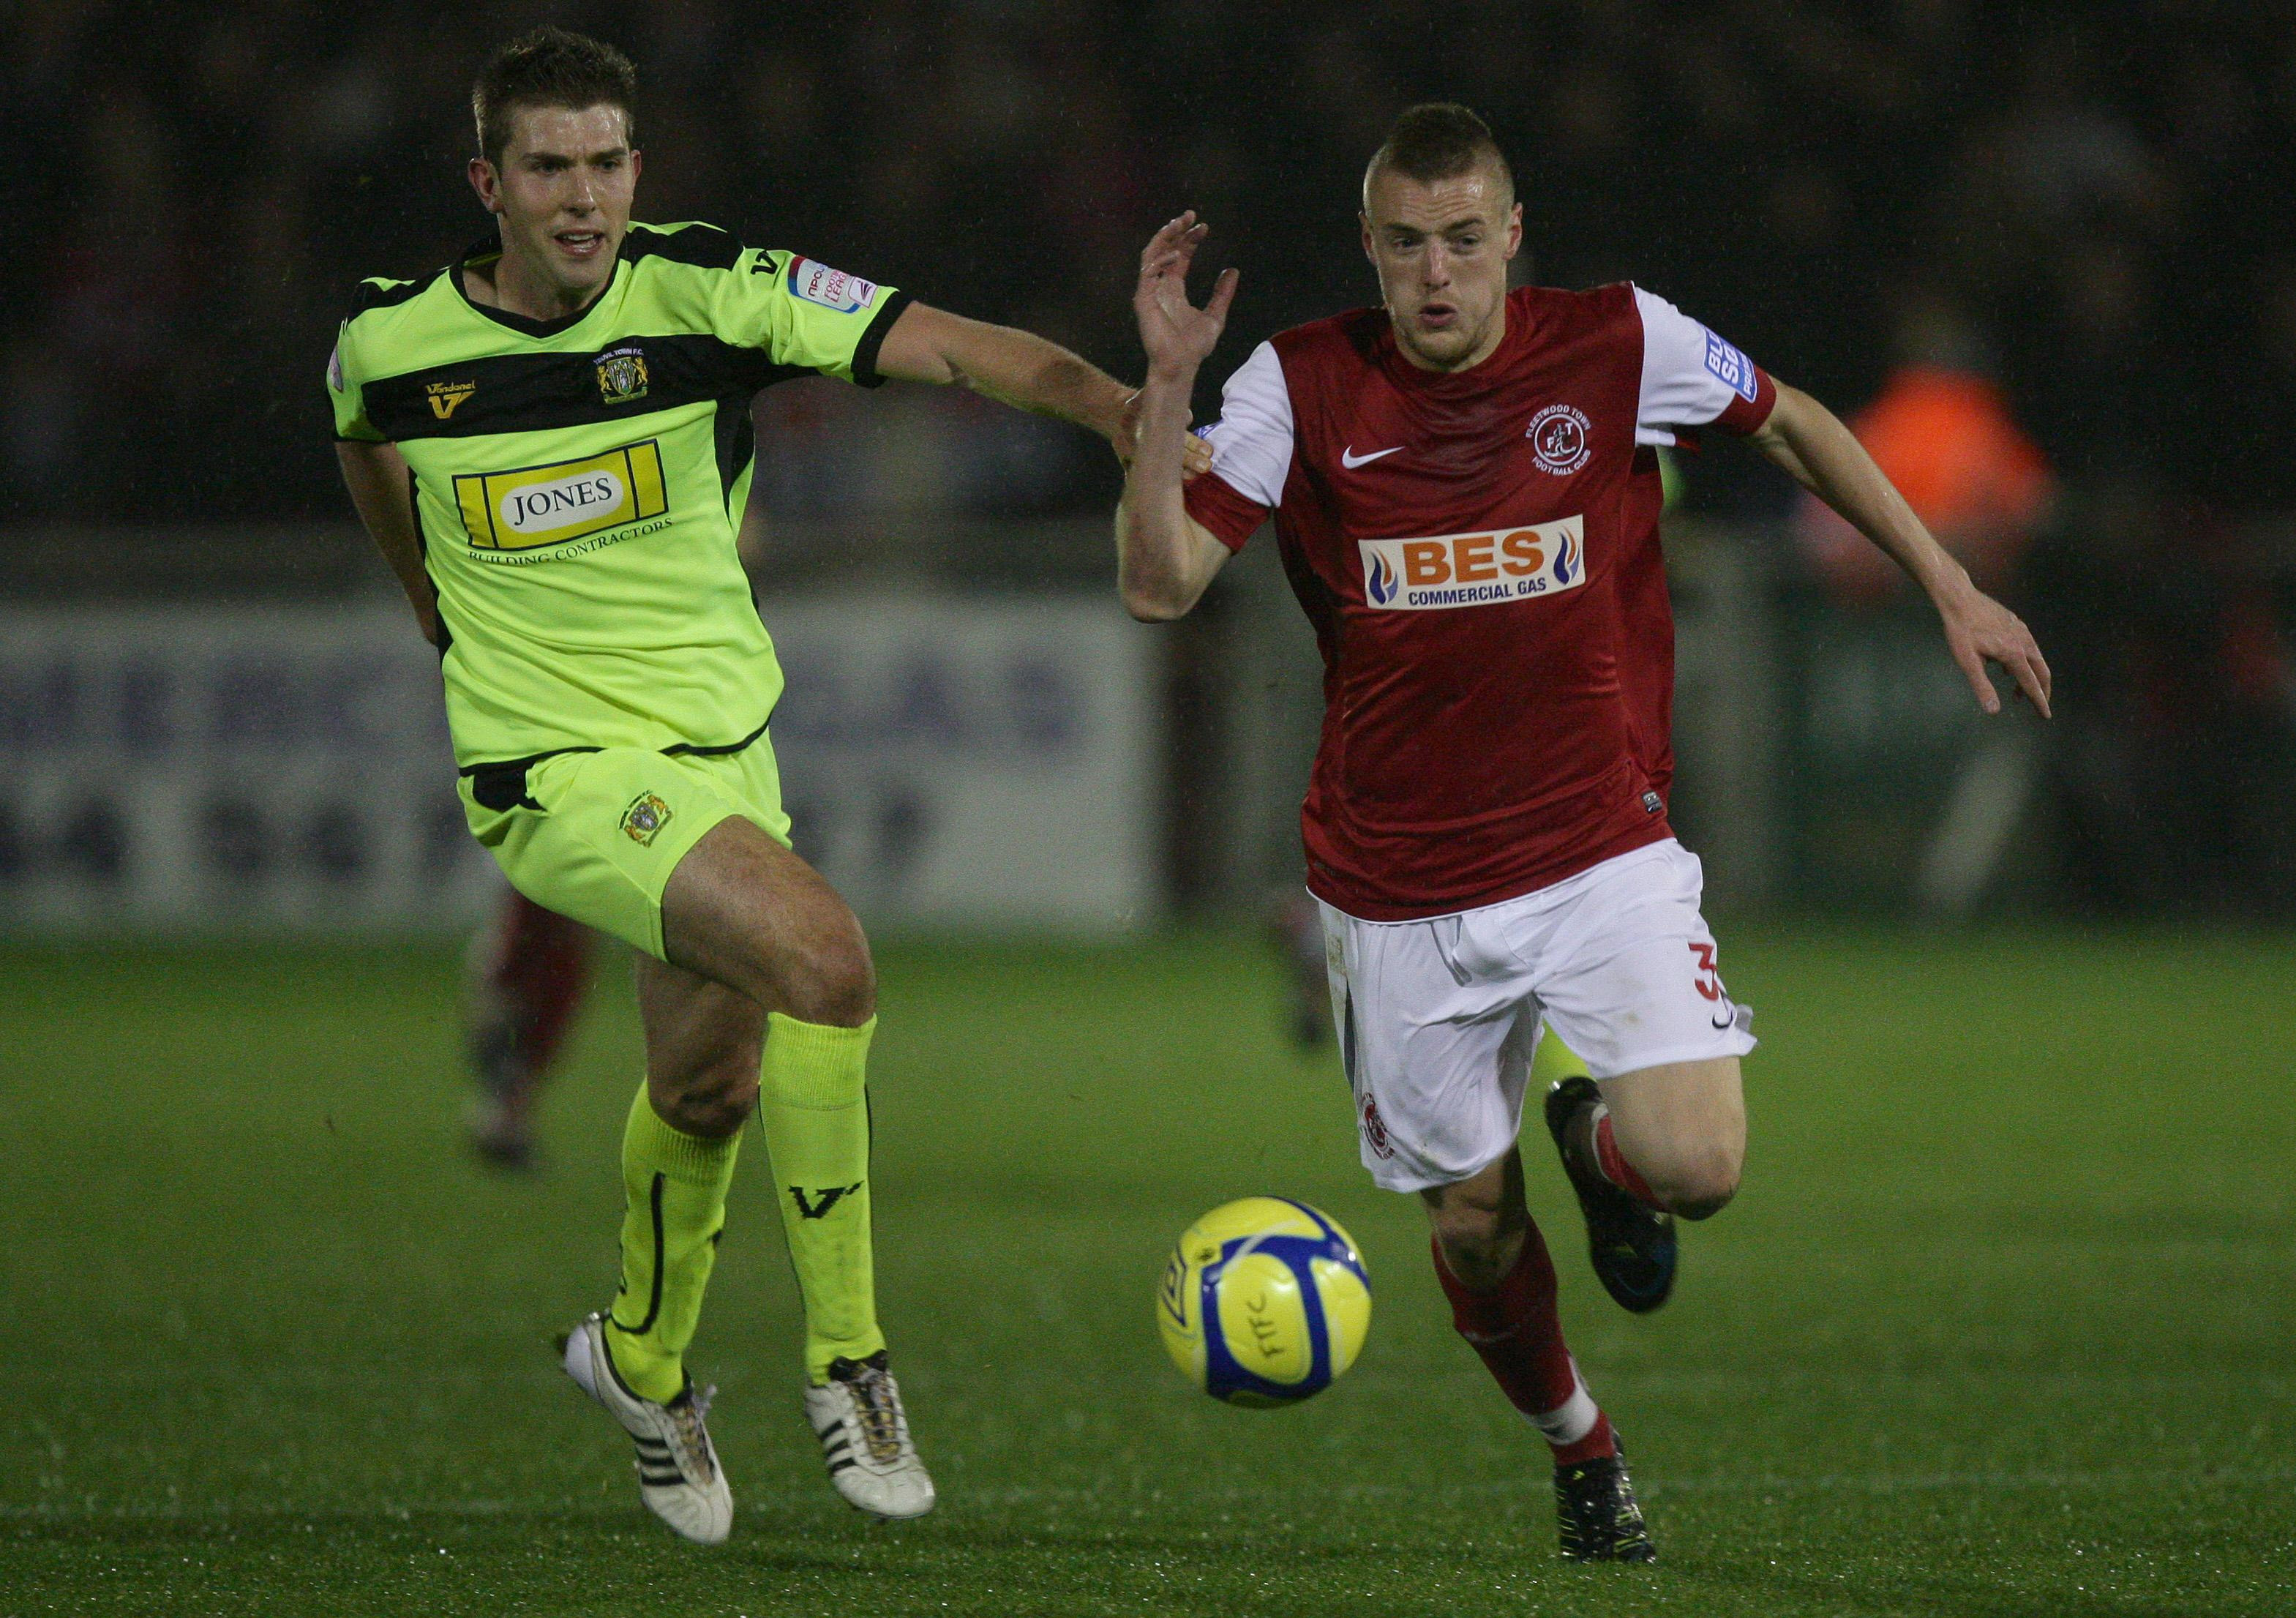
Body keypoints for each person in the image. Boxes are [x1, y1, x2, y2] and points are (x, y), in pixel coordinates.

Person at [1117, 105, 2051, 1562]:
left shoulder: (1621, 343)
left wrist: (1944, 580)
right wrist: (1170, 389)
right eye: (1410, 245)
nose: (1439, 276)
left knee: (1703, 1165)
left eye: (1467, 242)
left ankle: (1604, 1154)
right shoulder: (1296, 383)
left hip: (1596, 846)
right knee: (1475, 1232)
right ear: (1371, 246)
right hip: (1399, 883)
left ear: (1513, 238)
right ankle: (1582, 1445)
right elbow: (1163, 583)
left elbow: (1796, 416)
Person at [329, 26, 1198, 1545]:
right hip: (552, 771)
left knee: (710, 1088)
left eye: (607, 162)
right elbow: (365, 445)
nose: (584, 196)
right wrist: (429, 602)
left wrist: (1128, 407)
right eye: (549, 166)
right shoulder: (395, 344)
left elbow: (947, 345)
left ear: (636, 171)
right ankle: (849, 1364)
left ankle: (639, 1359)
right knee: (827, 958)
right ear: (491, 182)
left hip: (722, 755)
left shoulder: (714, 291)